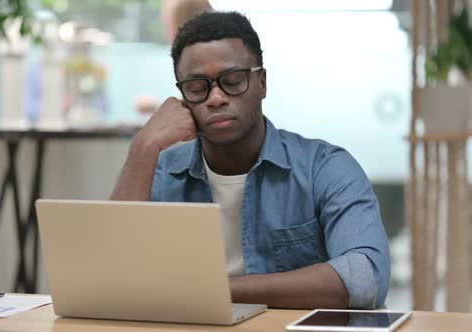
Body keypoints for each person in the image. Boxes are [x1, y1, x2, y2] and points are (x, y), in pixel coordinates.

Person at [110, 11, 390, 309]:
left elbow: (366, 277)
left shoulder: (324, 167)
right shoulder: (162, 172)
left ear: (262, 83)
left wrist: (215, 290)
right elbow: (106, 276)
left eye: (232, 81)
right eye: (197, 87)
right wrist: (143, 147)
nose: (215, 98)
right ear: (182, 97)